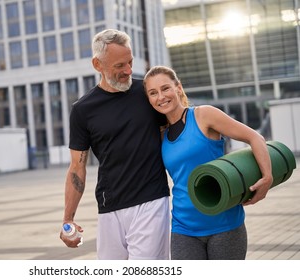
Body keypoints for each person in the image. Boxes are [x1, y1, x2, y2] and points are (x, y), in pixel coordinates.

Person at [60, 29, 170, 260]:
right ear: (97, 64)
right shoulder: (83, 110)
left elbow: (175, 132)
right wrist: (68, 219)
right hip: (109, 207)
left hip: (151, 201)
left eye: (130, 62)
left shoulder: (147, 93)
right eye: (120, 65)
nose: (128, 71)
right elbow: (76, 167)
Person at [143, 66, 273, 260]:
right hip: (183, 228)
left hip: (224, 224)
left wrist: (267, 176)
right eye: (153, 93)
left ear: (178, 88)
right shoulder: (161, 135)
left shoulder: (203, 115)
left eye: (165, 88)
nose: (161, 96)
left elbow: (255, 137)